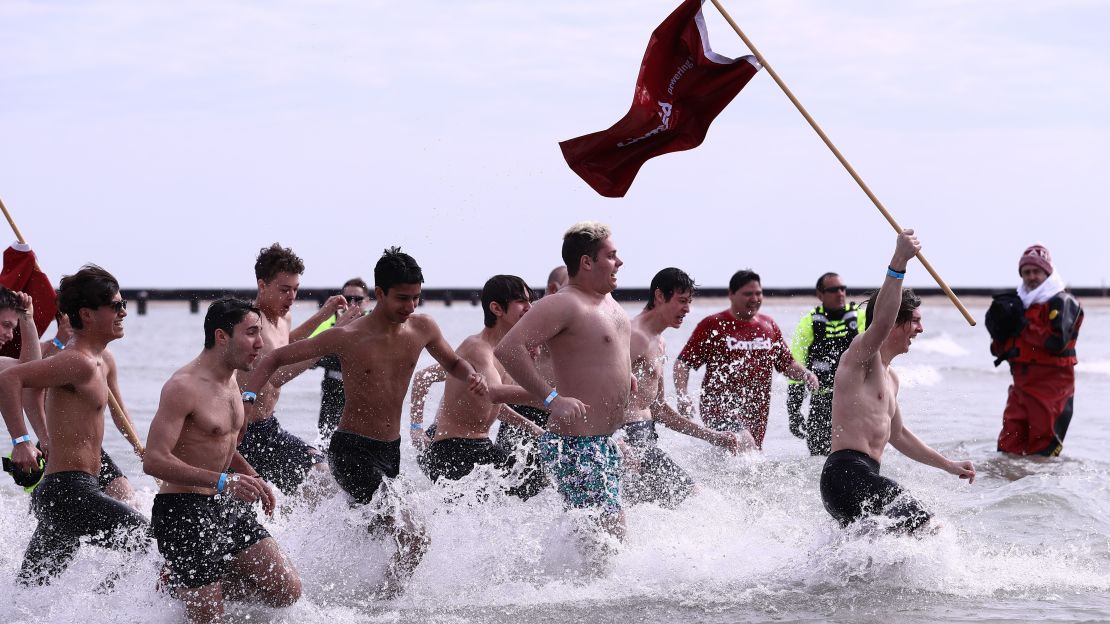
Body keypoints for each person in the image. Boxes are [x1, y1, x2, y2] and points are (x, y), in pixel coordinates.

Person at [240, 247, 487, 597]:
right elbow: (274, 358)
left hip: (391, 451)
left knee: (382, 532)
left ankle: (333, 586)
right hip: (351, 450)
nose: (410, 306)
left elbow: (453, 363)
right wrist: (248, 399)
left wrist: (472, 375)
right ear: (381, 293)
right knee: (414, 536)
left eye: (417, 297)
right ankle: (381, 605)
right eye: (402, 298)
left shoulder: (424, 328)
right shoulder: (349, 336)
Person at [144, 298, 301, 623]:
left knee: (286, 589)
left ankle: (182, 583)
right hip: (181, 512)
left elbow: (221, 444)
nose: (261, 343)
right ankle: (192, 586)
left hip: (221, 505)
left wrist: (252, 475)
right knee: (210, 619)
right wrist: (223, 481)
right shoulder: (182, 386)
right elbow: (154, 460)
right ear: (221, 337)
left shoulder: (232, 381)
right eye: (252, 333)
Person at [0, 265, 150, 584]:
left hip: (68, 493)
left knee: (31, 592)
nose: (124, 311)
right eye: (116, 305)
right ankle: (109, 609)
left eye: (124, 304)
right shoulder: (77, 362)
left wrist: (141, 446)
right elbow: (11, 379)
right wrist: (22, 441)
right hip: (69, 492)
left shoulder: (98, 361)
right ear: (88, 314)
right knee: (150, 544)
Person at [820, 230, 975, 534]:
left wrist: (948, 465)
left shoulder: (891, 378)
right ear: (895, 322)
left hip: (861, 478)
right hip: (845, 474)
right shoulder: (862, 356)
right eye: (915, 320)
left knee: (875, 559)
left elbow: (900, 435)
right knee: (930, 528)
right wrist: (899, 261)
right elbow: (880, 322)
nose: (920, 328)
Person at [495, 222, 633, 542]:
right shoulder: (563, 302)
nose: (620, 262)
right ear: (586, 262)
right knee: (609, 534)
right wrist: (551, 399)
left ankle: (570, 586)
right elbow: (508, 349)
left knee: (600, 537)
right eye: (612, 256)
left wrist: (626, 378)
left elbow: (598, 355)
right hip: (576, 445)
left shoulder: (608, 303)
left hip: (603, 440)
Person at [624, 268, 744, 508]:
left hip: (646, 439)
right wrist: (618, 444)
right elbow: (597, 393)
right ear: (659, 296)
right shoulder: (633, 336)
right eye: (681, 301)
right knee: (696, 500)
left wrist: (713, 437)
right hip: (628, 444)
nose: (687, 309)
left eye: (689, 302)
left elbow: (658, 409)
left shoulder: (659, 341)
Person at [417, 275, 547, 498]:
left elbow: (497, 408)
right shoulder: (476, 348)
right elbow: (496, 394)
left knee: (534, 482)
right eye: (521, 301)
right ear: (496, 308)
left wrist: (537, 431)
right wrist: (552, 396)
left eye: (530, 301)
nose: (529, 307)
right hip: (452, 450)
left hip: (481, 446)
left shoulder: (505, 353)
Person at [237, 243, 349, 497]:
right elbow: (276, 376)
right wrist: (328, 342)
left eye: (296, 290)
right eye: (284, 290)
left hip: (269, 427)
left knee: (322, 475)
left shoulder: (282, 318)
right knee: (311, 483)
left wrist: (325, 315)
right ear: (262, 285)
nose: (291, 297)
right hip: (243, 434)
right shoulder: (250, 322)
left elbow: (286, 344)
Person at [674, 269, 818, 449]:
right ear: (731, 294)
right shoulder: (713, 324)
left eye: (758, 293)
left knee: (747, 459)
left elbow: (787, 364)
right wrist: (682, 395)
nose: (754, 298)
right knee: (744, 443)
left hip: (756, 414)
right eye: (748, 294)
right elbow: (683, 362)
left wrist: (807, 374)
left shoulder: (768, 326)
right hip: (719, 409)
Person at [986, 244, 1083, 456]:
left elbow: (1057, 342)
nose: (1031, 277)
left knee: (1043, 453)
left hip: (1052, 390)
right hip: (1021, 387)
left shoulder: (1064, 302)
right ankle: (1008, 488)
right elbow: (999, 350)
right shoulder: (1019, 304)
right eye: (1026, 272)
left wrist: (1021, 324)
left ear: (1047, 272)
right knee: (1007, 448)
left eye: (1036, 271)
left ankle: (1043, 488)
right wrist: (997, 328)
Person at [788, 272, 867, 456]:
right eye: (833, 290)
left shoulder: (860, 318)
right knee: (819, 462)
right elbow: (796, 369)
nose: (840, 293)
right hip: (821, 404)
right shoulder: (808, 323)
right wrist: (794, 411)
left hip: (857, 401)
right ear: (820, 295)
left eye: (842, 289)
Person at [311, 278, 373, 440]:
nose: (352, 303)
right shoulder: (327, 324)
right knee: (326, 442)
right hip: (332, 392)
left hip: (365, 394)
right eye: (348, 299)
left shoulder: (375, 325)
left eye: (358, 299)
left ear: (366, 301)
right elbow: (308, 357)